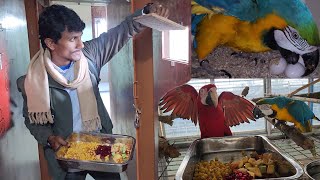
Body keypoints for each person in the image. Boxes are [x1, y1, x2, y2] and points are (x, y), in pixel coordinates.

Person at [17, 3, 169, 180]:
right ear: (51, 43)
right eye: (73, 38)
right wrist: (50, 138)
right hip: (66, 155)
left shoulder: (89, 56)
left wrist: (147, 11)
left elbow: (124, 29)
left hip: (100, 144)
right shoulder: (33, 80)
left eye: (80, 37)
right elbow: (33, 121)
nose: (81, 44)